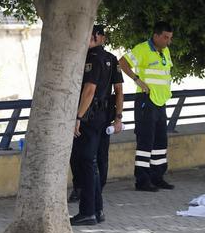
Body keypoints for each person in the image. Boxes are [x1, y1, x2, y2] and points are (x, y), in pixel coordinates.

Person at [69, 27, 123, 204]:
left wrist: (78, 117)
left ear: (101, 37)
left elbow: (92, 90)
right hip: (100, 114)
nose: (92, 37)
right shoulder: (101, 58)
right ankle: (92, 194)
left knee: (87, 156)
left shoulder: (96, 58)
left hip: (90, 115)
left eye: (95, 34)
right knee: (90, 156)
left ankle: (90, 195)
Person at [120, 21, 175, 192]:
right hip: (146, 100)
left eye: (170, 38)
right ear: (156, 35)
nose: (168, 41)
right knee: (145, 140)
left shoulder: (165, 51)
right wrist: (137, 79)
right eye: (165, 37)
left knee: (160, 141)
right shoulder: (142, 48)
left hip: (160, 102)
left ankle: (157, 177)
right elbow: (122, 62)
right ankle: (142, 180)